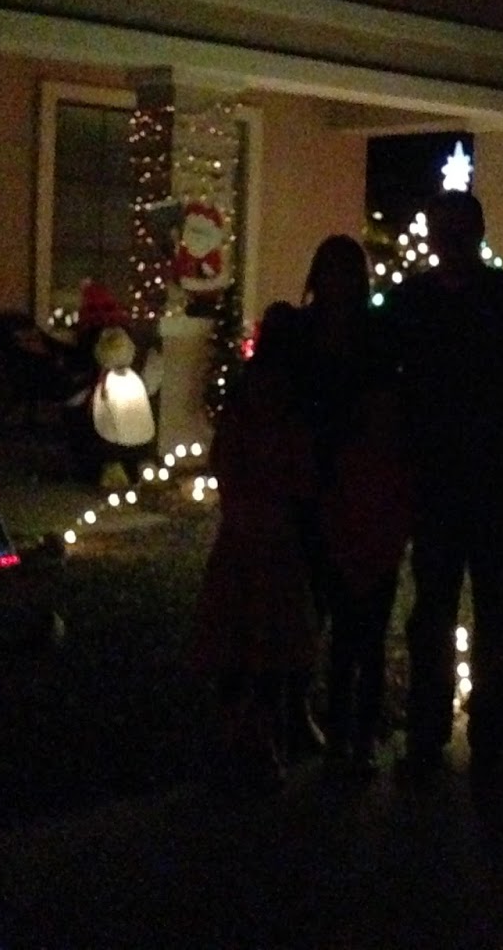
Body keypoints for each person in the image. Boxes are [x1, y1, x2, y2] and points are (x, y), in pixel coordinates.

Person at [384, 191, 503, 801]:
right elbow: (389, 389)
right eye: (443, 231)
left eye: (461, 231)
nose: (451, 242)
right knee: (433, 614)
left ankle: (498, 737)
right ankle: (428, 731)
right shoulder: (412, 303)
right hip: (439, 485)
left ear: (477, 233)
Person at [190, 302, 320, 794]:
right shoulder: (283, 406)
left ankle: (243, 737)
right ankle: (253, 740)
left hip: (247, 537)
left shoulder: (252, 399)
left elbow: (226, 462)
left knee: (242, 639)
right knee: (264, 640)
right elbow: (297, 475)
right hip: (267, 539)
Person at [294, 235, 407, 774]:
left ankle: (357, 735)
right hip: (313, 487)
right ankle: (309, 717)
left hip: (363, 492)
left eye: (347, 272)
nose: (338, 282)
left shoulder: (376, 336)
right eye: (330, 270)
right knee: (311, 610)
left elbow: (387, 408)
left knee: (362, 630)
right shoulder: (302, 331)